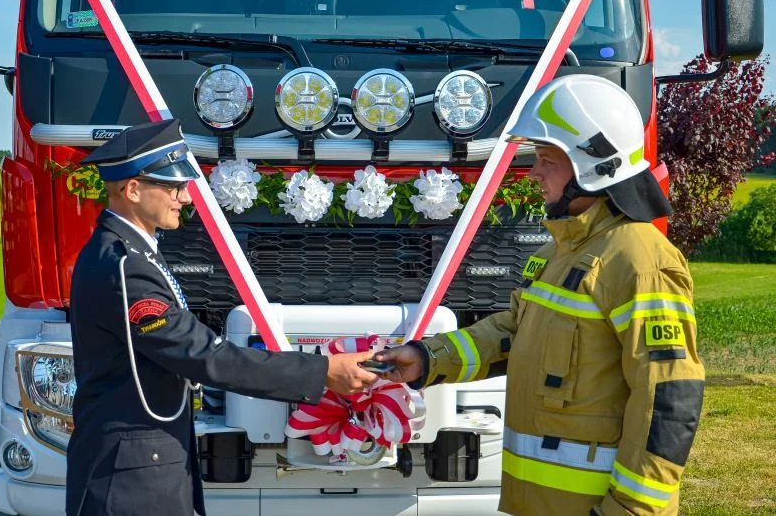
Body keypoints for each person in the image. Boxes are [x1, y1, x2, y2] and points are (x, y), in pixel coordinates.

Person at [377, 75, 705, 515]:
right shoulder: (561, 251)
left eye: (547, 159)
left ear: (595, 166)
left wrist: (627, 511)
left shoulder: (641, 262)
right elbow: (511, 333)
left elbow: (667, 399)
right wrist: (428, 358)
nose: (533, 173)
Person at [66, 119, 378, 516]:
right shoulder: (126, 266)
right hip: (131, 476)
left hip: (145, 461)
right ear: (132, 190)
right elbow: (204, 356)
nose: (185, 197)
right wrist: (321, 372)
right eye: (174, 187)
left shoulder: (135, 252)